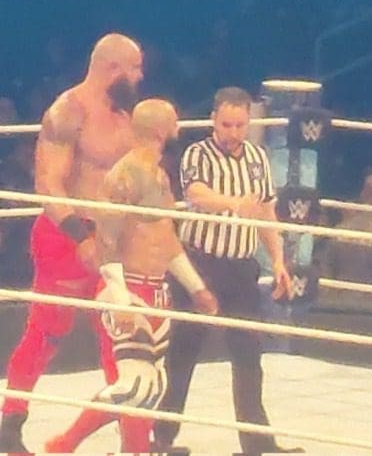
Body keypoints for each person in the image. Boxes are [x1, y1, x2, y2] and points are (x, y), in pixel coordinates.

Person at [45, 99, 218, 452]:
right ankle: (62, 444)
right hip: (129, 287)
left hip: (157, 289)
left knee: (152, 389)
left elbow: (165, 238)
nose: (179, 126)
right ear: (160, 129)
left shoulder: (159, 175)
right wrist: (120, 298)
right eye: (174, 120)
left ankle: (133, 451)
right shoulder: (124, 175)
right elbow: (106, 240)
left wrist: (196, 287)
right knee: (134, 385)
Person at [0, 33, 143, 452]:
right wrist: (80, 237)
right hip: (67, 234)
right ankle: (10, 422)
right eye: (134, 68)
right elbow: (49, 183)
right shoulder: (68, 111)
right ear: (112, 68)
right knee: (46, 330)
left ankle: (135, 439)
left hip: (113, 235)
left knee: (121, 335)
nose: (140, 76)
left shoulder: (127, 114)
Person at [152, 87, 301, 453]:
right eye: (226, 125)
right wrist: (235, 204)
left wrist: (278, 260)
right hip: (200, 265)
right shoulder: (197, 153)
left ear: (249, 122)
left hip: (241, 269)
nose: (233, 132)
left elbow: (265, 212)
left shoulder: (257, 157)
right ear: (213, 120)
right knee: (183, 353)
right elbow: (197, 195)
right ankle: (160, 438)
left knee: (249, 355)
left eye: (240, 125)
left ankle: (257, 444)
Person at [321, 172, 372, 287]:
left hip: (338, 295)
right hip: (371, 298)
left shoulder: (340, 230)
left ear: (363, 195)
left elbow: (326, 272)